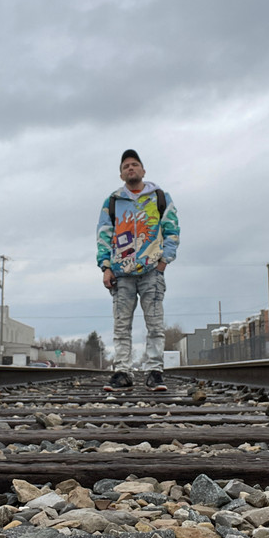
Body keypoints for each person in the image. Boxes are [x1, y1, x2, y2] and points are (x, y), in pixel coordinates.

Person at [96, 149, 180, 392]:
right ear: (121, 175)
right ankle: (123, 371)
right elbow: (104, 235)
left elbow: (172, 230)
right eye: (126, 166)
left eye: (134, 164)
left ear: (143, 170)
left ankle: (154, 372)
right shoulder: (113, 201)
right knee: (121, 326)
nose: (130, 168)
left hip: (152, 271)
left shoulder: (160, 197)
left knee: (155, 324)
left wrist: (164, 261)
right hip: (121, 274)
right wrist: (106, 267)